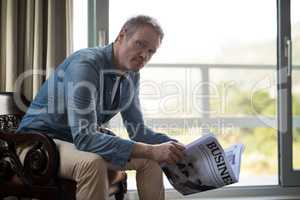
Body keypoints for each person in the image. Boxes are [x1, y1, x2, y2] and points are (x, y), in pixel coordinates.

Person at [17, 15, 185, 200]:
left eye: (151, 51)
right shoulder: (86, 64)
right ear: (122, 36)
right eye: (140, 44)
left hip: (75, 143)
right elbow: (85, 137)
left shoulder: (131, 75)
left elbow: (138, 131)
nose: (144, 55)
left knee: (150, 161)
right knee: (92, 163)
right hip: (38, 143)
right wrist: (151, 149)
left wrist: (178, 148)